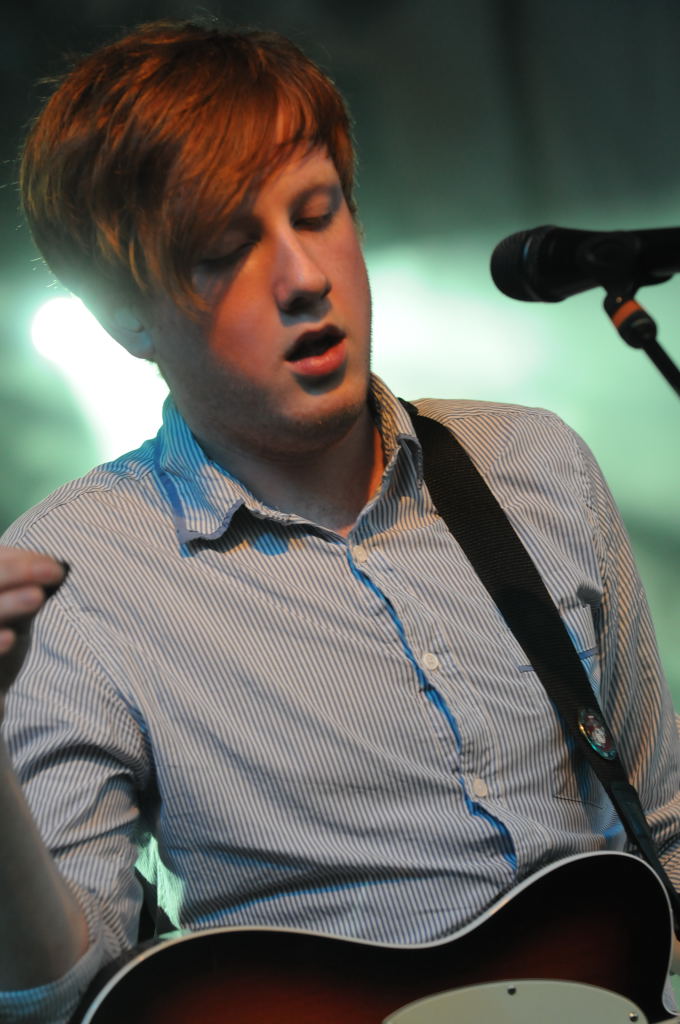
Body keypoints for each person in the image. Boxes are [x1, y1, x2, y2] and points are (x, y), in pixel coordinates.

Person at [1, 18, 679, 1024]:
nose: (303, 277)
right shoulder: (75, 578)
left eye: (317, 214)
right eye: (228, 248)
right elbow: (58, 995)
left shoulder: (535, 465)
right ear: (125, 315)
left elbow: (662, 834)